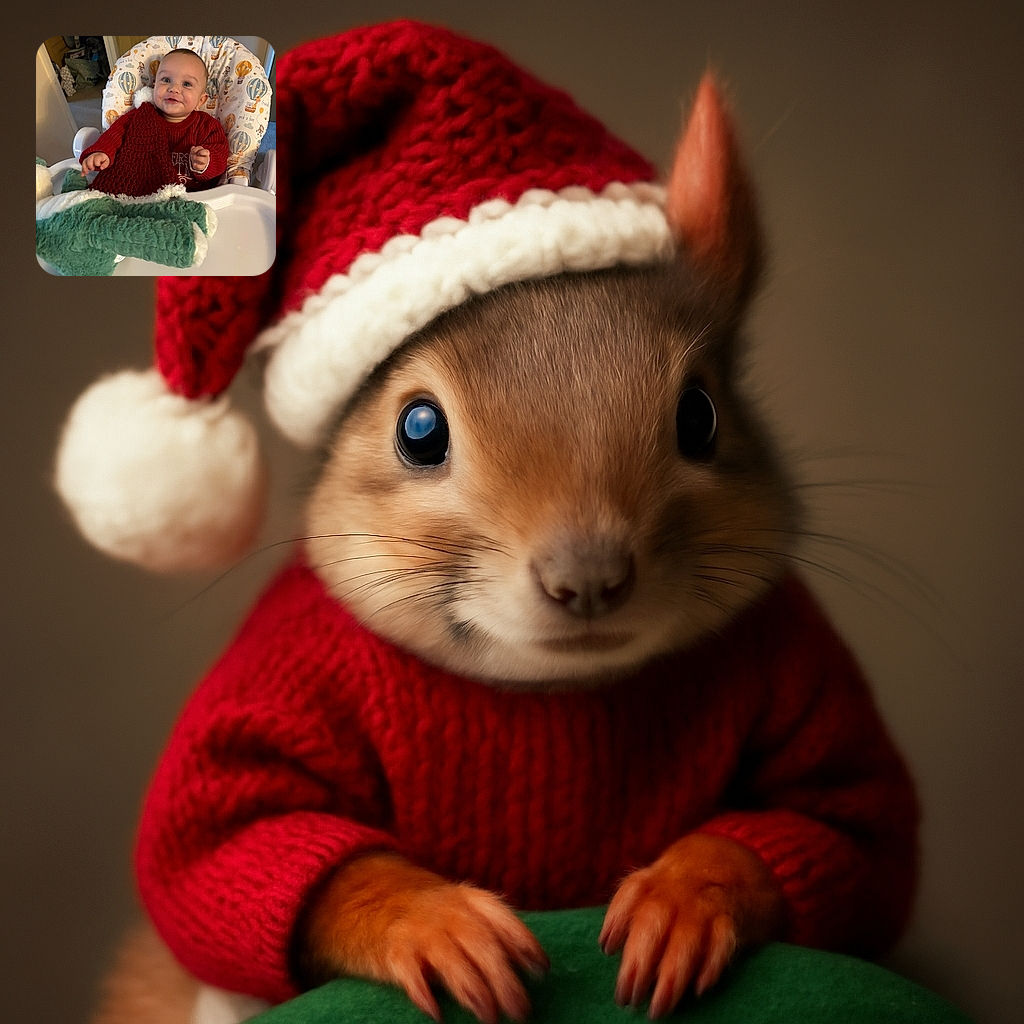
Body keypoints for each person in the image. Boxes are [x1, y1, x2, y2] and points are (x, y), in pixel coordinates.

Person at [80, 49, 228, 196]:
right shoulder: (140, 117)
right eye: (166, 80)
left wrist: (205, 162)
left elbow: (220, 157)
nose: (174, 88)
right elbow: (114, 136)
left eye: (187, 84)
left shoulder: (208, 126)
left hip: (190, 198)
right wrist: (102, 152)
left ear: (201, 101)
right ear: (154, 85)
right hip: (141, 192)